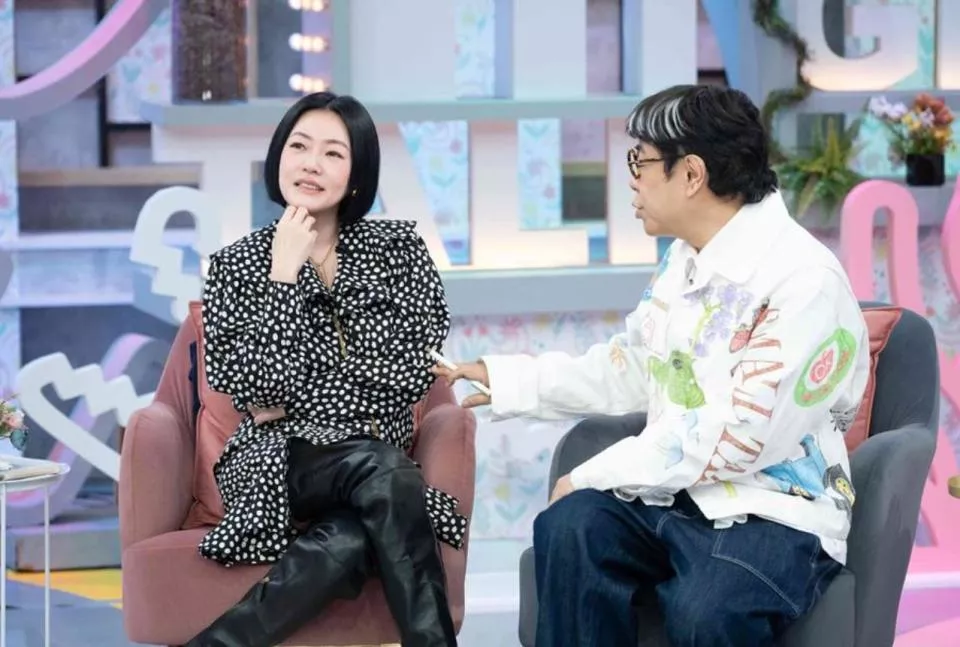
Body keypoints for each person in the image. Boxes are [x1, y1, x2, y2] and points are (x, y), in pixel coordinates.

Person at [435, 84, 870, 647]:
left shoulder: (806, 280)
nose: (632, 180)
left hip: (776, 513)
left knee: (703, 608)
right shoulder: (685, 260)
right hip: (681, 497)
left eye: (639, 161)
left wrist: (592, 474)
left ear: (691, 174)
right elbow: (637, 367)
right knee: (570, 527)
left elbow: (739, 437)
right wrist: (512, 380)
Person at [186, 91, 465, 647]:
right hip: (277, 461)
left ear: (357, 174)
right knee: (385, 472)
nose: (311, 163)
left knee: (352, 537)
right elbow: (258, 391)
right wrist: (283, 276)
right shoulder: (236, 265)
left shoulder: (399, 251)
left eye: (333, 153)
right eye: (299, 147)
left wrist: (297, 390)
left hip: (372, 459)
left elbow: (409, 373)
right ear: (279, 157)